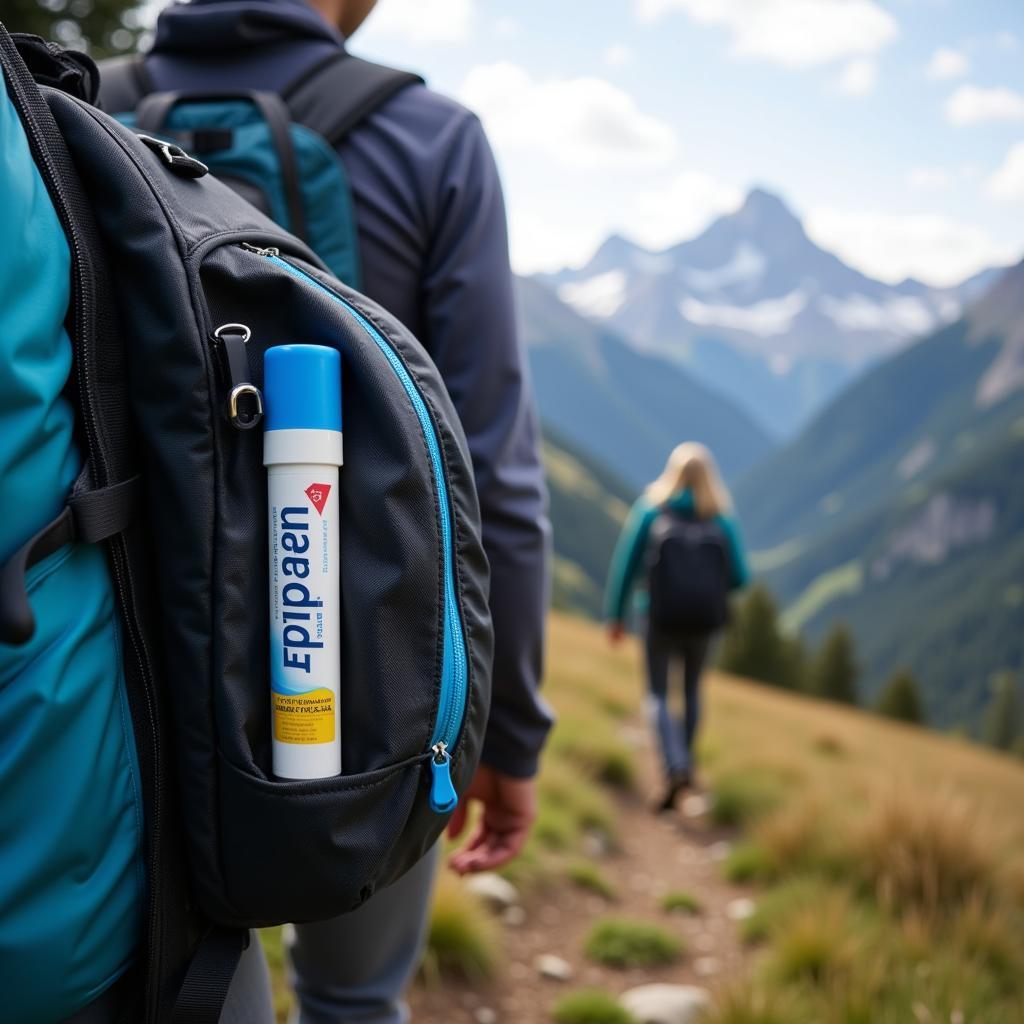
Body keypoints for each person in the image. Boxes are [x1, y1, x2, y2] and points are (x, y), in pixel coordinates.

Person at [107, 1, 553, 1022]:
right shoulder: (427, 138)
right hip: (370, 672)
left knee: (155, 988)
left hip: (120, 653)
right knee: (351, 997)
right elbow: (493, 472)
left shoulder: (74, 107)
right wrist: (509, 733)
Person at [604, 443, 749, 812]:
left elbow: (627, 566)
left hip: (658, 617)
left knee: (656, 695)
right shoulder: (721, 519)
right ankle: (686, 765)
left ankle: (675, 764)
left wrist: (616, 616)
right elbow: (740, 578)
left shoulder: (652, 510)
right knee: (692, 692)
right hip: (704, 624)